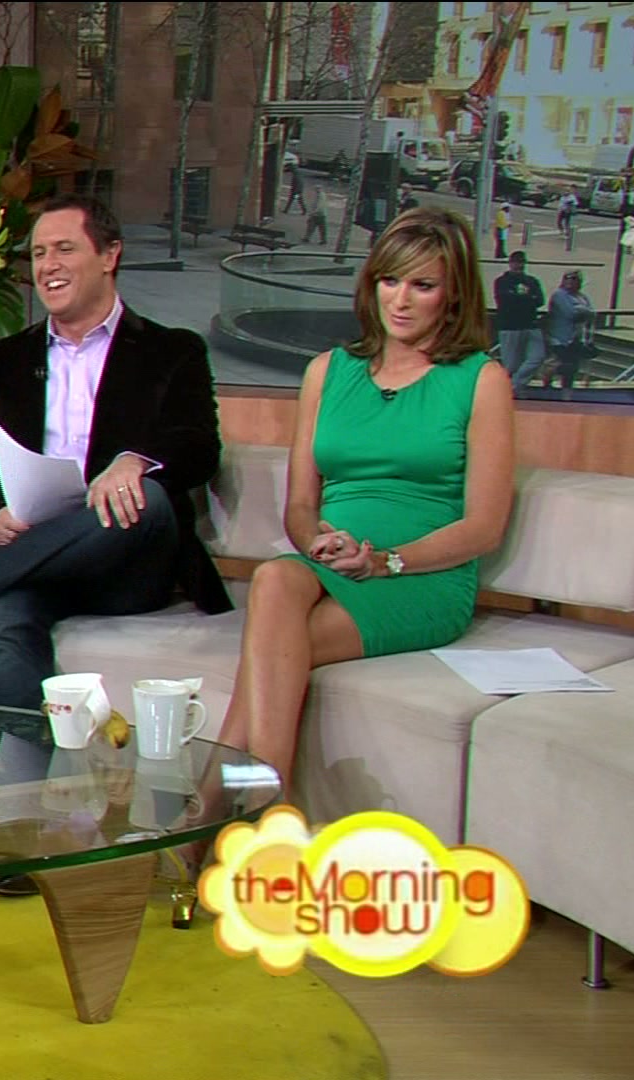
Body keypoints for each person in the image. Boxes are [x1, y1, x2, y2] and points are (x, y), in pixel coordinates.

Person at [0, 192, 232, 720]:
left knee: (144, 497)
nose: (47, 265)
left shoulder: (173, 351)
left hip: (129, 560)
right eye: (37, 253)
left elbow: (199, 445)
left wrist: (135, 460)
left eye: (64, 249)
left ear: (110, 255)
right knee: (3, 625)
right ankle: (25, 769)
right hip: (33, 559)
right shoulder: (6, 361)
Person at [214, 206, 516, 797]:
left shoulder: (481, 380)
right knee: (275, 579)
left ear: (453, 295)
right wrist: (320, 544)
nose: (400, 300)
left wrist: (384, 561)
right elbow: (301, 507)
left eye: (422, 285)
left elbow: (484, 527)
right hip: (331, 564)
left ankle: (219, 812)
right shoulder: (327, 372)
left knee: (269, 654)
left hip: (420, 577)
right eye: (389, 279)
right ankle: (262, 812)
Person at [493, 250, 548, 390]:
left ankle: (514, 385)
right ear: (510, 263)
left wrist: (520, 299)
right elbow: (505, 301)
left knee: (538, 357)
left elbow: (540, 300)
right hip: (510, 326)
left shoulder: (532, 281)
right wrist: (527, 299)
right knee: (511, 364)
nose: (519, 265)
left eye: (522, 262)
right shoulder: (502, 281)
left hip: (531, 325)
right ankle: (504, 389)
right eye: (516, 262)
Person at [542, 269, 597, 398]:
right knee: (562, 364)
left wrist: (581, 310)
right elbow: (570, 313)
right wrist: (582, 311)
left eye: (574, 279)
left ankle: (566, 393)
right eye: (568, 279)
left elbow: (592, 313)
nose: (570, 282)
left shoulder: (582, 297)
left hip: (577, 337)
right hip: (560, 337)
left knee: (573, 366)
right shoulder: (559, 295)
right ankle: (547, 379)